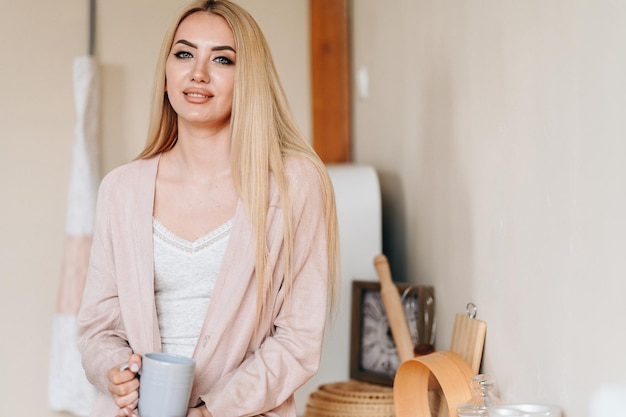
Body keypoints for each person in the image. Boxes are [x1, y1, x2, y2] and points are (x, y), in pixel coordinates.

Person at [77, 1, 340, 416]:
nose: (198, 73)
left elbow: (298, 340)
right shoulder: (121, 189)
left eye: (222, 59)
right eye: (184, 54)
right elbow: (98, 328)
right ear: (166, 76)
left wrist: (211, 411)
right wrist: (116, 372)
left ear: (249, 78)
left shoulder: (294, 184)